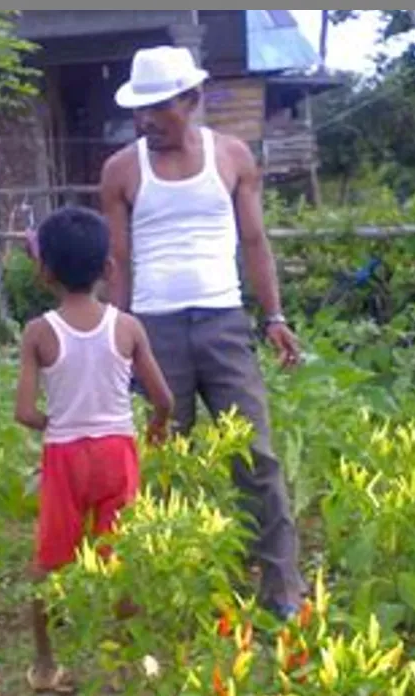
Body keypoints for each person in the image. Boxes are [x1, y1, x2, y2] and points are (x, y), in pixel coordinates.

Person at [99, 45, 307, 621]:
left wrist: (274, 318)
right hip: (153, 331)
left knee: (255, 455)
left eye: (159, 108)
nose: (146, 121)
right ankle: (162, 587)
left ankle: (282, 590)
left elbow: (255, 242)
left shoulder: (232, 157)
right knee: (162, 462)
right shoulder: (121, 170)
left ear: (190, 101)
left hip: (223, 323)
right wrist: (115, 338)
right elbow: (118, 258)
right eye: (140, 110)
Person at [14, 206, 174, 694]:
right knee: (121, 555)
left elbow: (24, 411)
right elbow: (163, 398)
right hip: (116, 452)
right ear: (108, 268)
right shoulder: (127, 327)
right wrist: (158, 427)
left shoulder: (39, 332)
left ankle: (44, 665)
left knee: (49, 559)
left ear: (44, 272)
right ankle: (132, 661)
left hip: (65, 457)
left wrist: (57, 423)